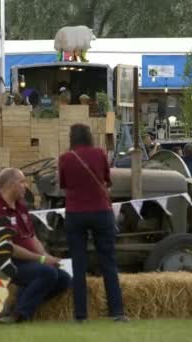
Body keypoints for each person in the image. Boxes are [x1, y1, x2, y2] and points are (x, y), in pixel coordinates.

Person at [58, 123, 128, 323]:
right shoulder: (99, 154)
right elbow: (107, 179)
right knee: (108, 262)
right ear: (89, 136)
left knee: (78, 265)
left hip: (75, 213)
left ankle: (81, 315)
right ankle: (117, 312)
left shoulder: (65, 158)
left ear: (72, 138)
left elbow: (63, 184)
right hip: (100, 211)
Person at [0, 168, 71, 323]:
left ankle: (19, 303)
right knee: (48, 273)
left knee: (64, 279)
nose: (26, 186)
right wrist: (42, 260)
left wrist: (46, 256)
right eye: (22, 182)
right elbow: (9, 248)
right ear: (11, 184)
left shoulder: (21, 207)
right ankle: (19, 314)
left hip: (25, 261)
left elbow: (32, 237)